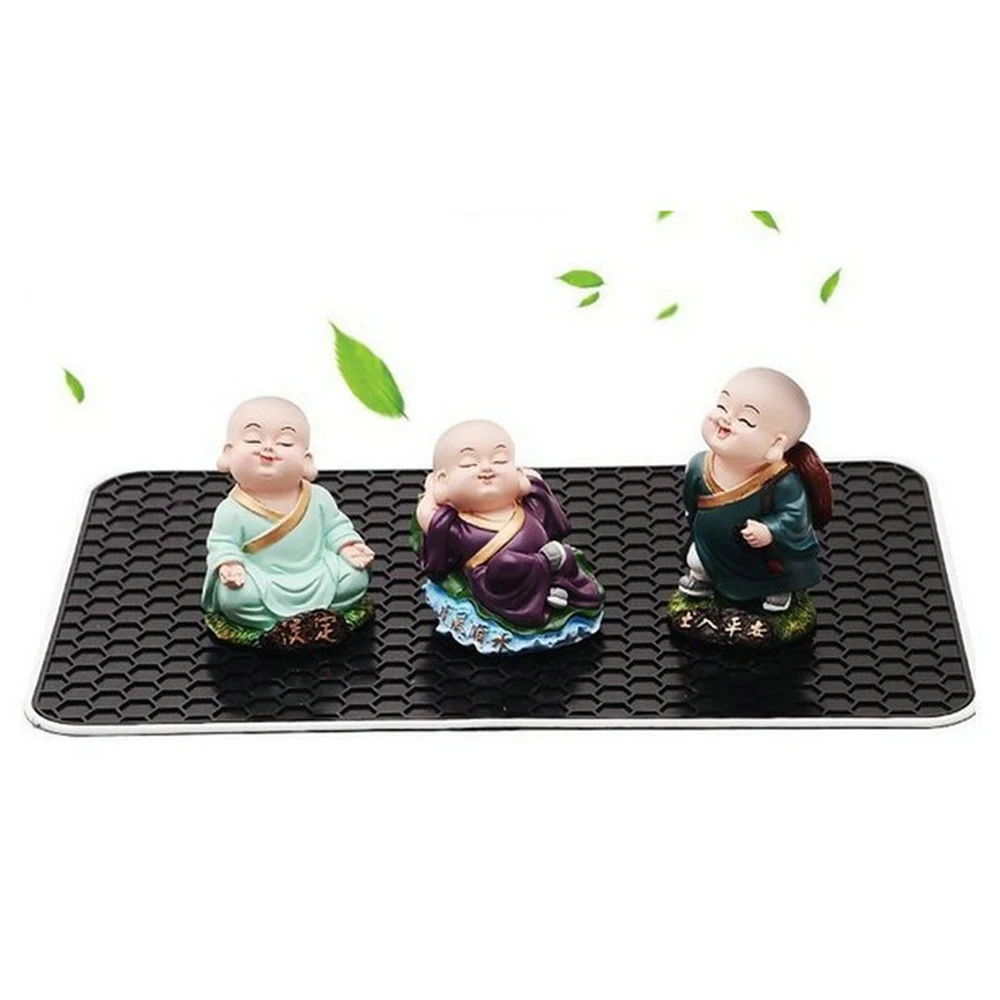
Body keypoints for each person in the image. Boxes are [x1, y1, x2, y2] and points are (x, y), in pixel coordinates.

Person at [201, 396, 374, 633]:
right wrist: (230, 564)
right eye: (253, 440)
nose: (268, 448)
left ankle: (319, 617)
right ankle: (273, 627)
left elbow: (335, 528)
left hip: (317, 572)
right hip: (262, 579)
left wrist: (347, 546)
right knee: (235, 597)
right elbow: (223, 543)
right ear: (228, 454)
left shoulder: (318, 497)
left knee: (354, 578)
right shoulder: (231, 510)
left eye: (285, 443)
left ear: (306, 460)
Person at [416, 419, 602, 628]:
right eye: (469, 464)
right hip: (500, 583)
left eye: (500, 460)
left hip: (546, 554)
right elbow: (427, 516)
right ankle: (543, 591)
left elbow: (537, 487)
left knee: (567, 556)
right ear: (443, 480)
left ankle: (557, 587)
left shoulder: (527, 506)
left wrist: (524, 482)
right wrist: (432, 491)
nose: (487, 468)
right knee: (505, 563)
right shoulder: (457, 525)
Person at [679, 368, 832, 612]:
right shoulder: (699, 465)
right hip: (712, 544)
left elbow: (796, 517)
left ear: (776, 443)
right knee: (697, 558)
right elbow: (691, 502)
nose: (725, 420)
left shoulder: (782, 480)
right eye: (722, 406)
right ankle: (702, 578)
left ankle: (778, 589)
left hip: (759, 555)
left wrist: (770, 530)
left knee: (777, 569)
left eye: (746, 420)